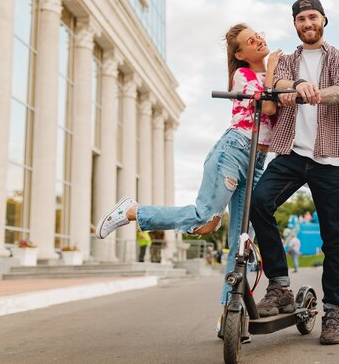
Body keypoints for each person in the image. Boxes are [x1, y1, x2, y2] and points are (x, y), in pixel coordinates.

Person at [95, 23, 281, 308]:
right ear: (241, 54)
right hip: (234, 150)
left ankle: (230, 310)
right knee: (203, 217)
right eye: (250, 40)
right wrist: (272, 69)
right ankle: (132, 211)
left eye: (258, 35)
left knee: (243, 240)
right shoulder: (242, 77)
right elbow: (267, 108)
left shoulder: (273, 77)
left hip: (257, 161)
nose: (258, 40)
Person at [250, 0, 339, 345]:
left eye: (312, 17)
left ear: (324, 19)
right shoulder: (287, 60)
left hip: (332, 157)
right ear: (295, 24)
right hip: (292, 151)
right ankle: (279, 284)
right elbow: (277, 87)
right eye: (300, 19)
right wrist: (296, 86)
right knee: (258, 202)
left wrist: (317, 93)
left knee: (333, 238)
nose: (307, 24)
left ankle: (332, 312)